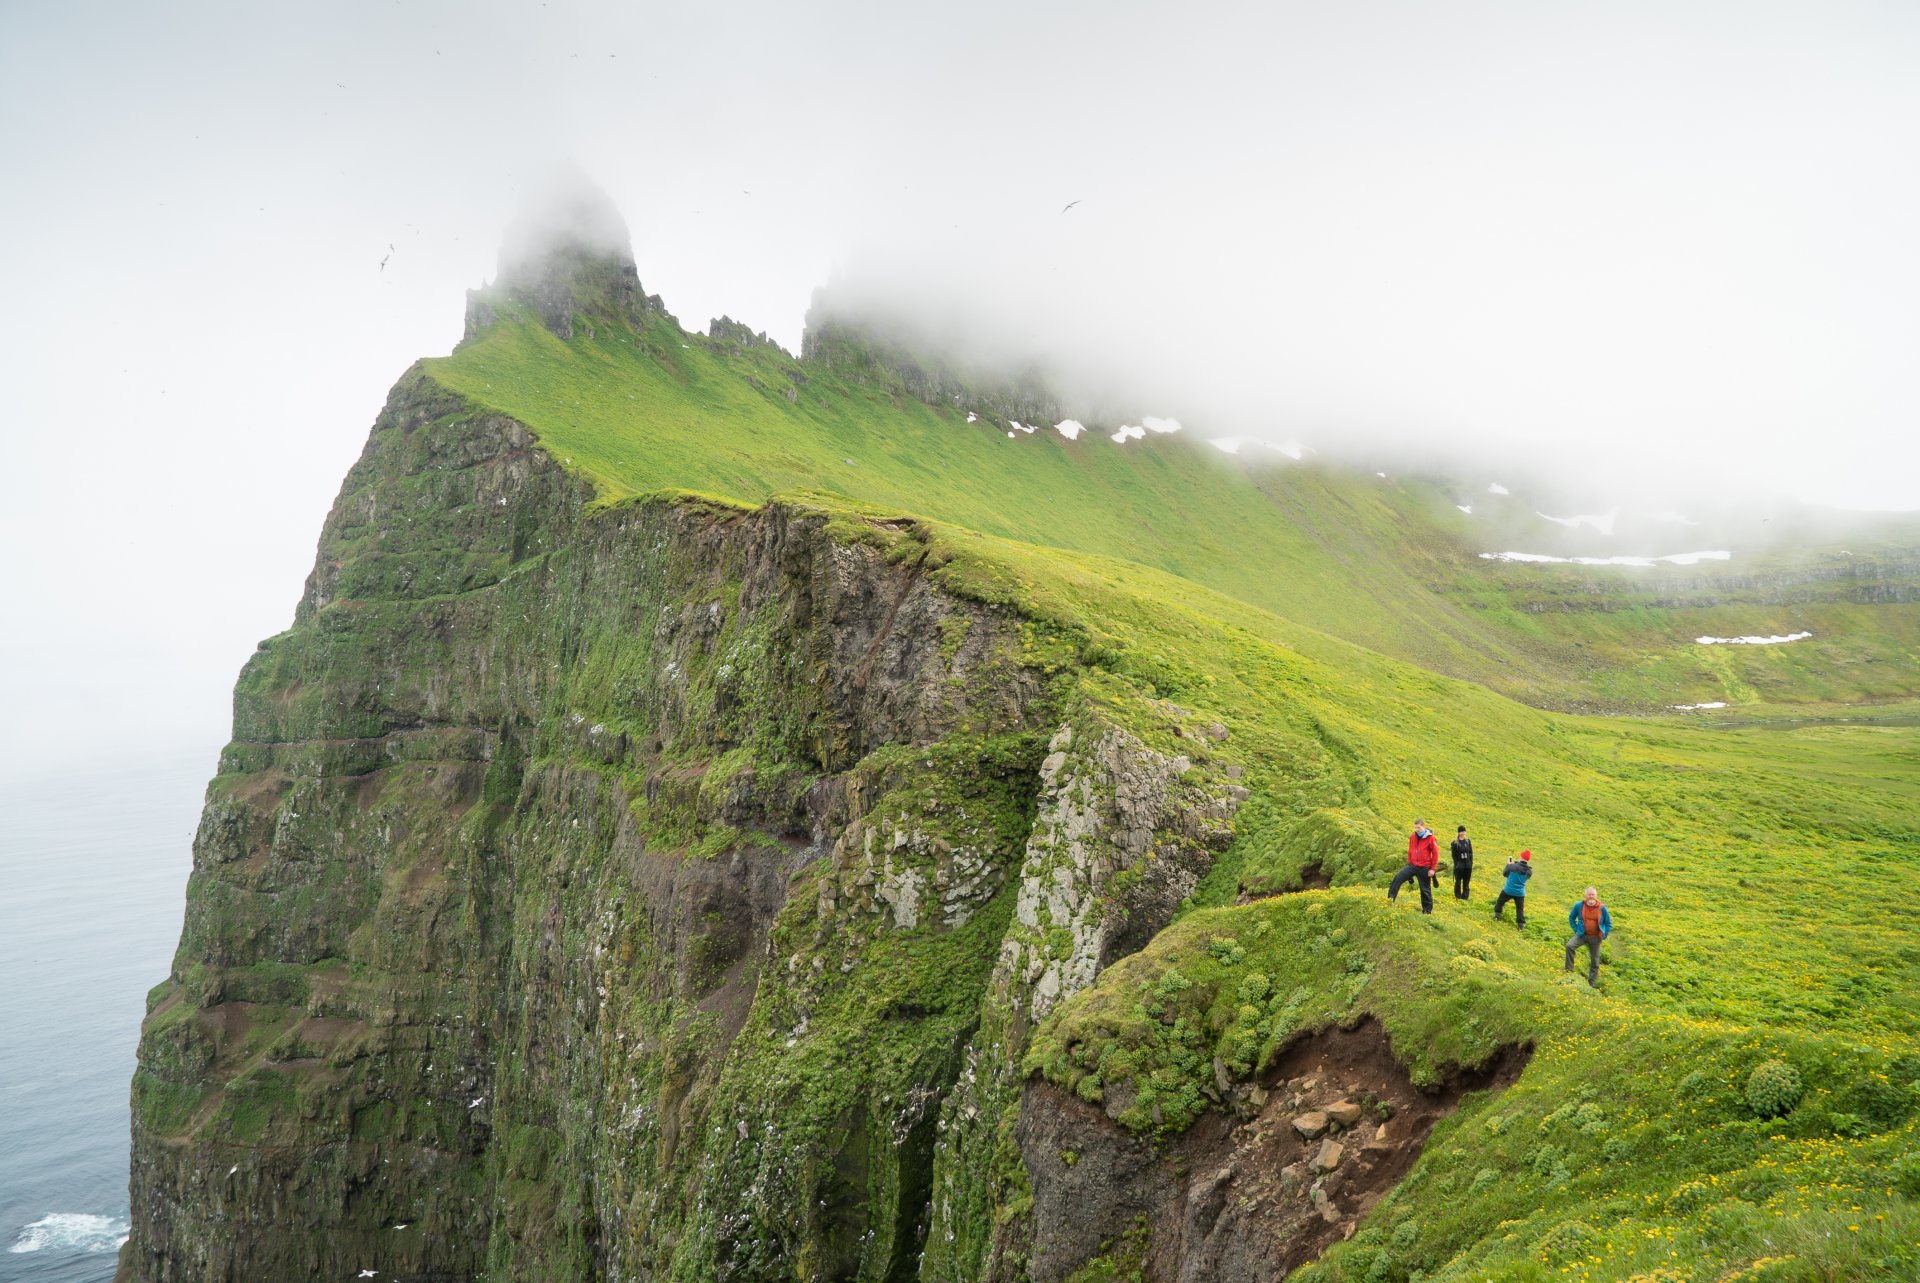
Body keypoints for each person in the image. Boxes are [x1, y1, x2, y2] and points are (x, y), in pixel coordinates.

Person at [1388, 819, 1440, 914]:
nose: (1417, 829)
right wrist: (1409, 863)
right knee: (1397, 878)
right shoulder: (1413, 836)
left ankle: (1427, 911)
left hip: (1424, 867)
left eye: (1419, 827)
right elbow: (1410, 850)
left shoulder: (1431, 838)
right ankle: (1389, 901)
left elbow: (1435, 854)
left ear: (1423, 826)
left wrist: (1432, 869)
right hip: (1412, 866)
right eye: (1415, 827)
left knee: (1425, 889)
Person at [1565, 887, 1612, 987]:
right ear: (1585, 896)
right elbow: (1571, 917)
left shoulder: (1602, 908)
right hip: (1582, 935)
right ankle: (1569, 971)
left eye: (1593, 895)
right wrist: (1576, 929)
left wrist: (1604, 935)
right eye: (1589, 894)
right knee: (1569, 946)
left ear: (1596, 896)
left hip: (1595, 937)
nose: (1591, 896)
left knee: (1595, 960)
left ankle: (1592, 982)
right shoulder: (1579, 905)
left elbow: (1608, 923)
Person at [1493, 850, 1532, 928]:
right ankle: (1520, 926)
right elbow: (1525, 878)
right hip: (1520, 893)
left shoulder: (1512, 866)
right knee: (1520, 909)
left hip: (1508, 890)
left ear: (1521, 857)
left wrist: (1508, 865)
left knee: (1500, 902)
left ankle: (1497, 916)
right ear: (1528, 859)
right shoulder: (1529, 871)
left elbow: (1505, 874)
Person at [1450, 825, 1474, 900]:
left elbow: (1470, 852)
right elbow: (1453, 855)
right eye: (1461, 832)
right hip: (1459, 865)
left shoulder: (1468, 841)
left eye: (1464, 831)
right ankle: (1458, 896)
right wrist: (1456, 864)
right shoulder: (1455, 843)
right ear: (1458, 833)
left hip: (1467, 864)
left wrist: (1471, 862)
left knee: (1466, 881)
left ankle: (1465, 896)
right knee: (1458, 881)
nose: (1463, 833)